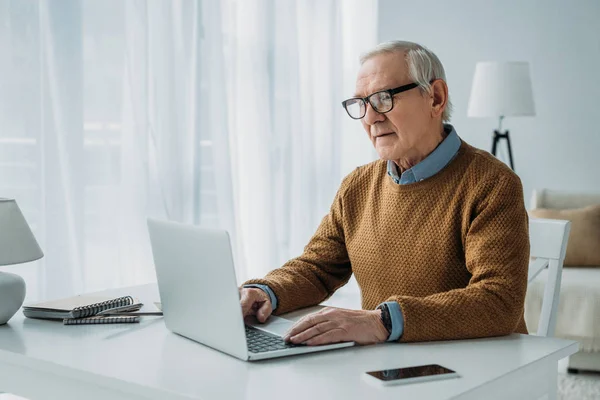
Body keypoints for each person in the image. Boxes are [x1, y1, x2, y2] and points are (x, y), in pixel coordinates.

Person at [239, 40, 529, 346]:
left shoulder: (493, 183)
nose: (370, 117)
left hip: (479, 365)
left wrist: (383, 322)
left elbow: (500, 300)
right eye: (361, 104)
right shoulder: (358, 185)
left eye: (382, 99)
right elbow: (317, 268)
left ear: (436, 98)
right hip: (388, 364)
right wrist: (265, 292)